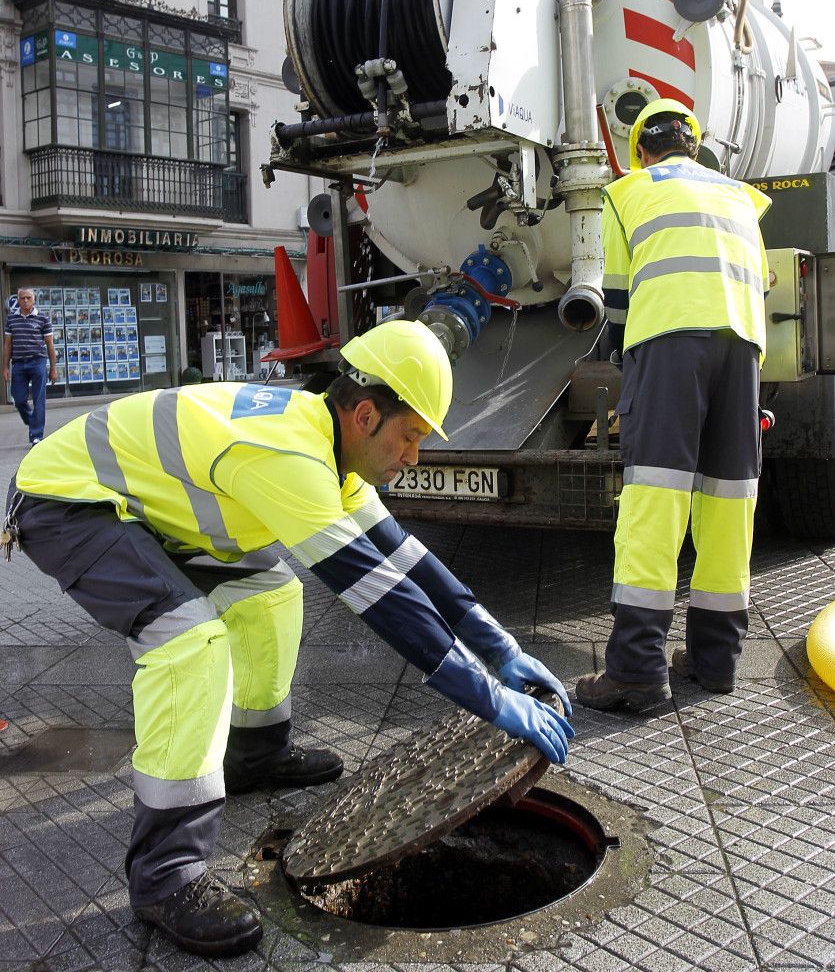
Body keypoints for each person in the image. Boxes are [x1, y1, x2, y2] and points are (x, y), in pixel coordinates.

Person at [6, 319, 574, 958]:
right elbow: (384, 601)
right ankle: (165, 877)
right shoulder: (290, 457)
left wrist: (504, 650)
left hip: (142, 509)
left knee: (270, 591)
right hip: (67, 502)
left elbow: (411, 563)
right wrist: (492, 700)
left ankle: (254, 754)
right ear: (364, 414)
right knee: (191, 644)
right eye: (410, 436)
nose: (414, 456)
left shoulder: (331, 449)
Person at [576, 99, 770, 712]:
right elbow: (758, 282)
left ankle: (636, 670)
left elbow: (615, 298)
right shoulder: (740, 196)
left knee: (655, 499)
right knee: (729, 501)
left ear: (641, 151)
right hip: (742, 350)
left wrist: (619, 361)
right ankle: (716, 662)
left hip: (668, 348)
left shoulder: (627, 193)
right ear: (695, 144)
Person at [3, 287, 58, 445]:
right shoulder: (12, 319)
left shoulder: (43, 318)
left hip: (38, 362)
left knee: (39, 400)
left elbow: (50, 345)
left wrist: (53, 369)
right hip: (19, 364)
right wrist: (5, 367)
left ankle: (36, 435)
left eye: (28, 298)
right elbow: (7, 345)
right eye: (22, 298)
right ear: (18, 300)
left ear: (34, 300)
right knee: (19, 399)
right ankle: (32, 420)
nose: (25, 301)